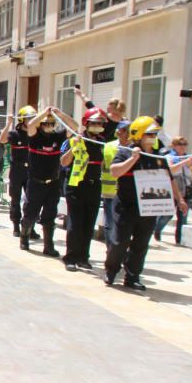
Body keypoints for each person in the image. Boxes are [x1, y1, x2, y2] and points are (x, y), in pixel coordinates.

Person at [104, 117, 189, 290]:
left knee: (141, 244)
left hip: (149, 208)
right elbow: (114, 172)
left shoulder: (157, 157)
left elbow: (169, 178)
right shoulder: (125, 152)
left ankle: (133, 276)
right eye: (149, 133)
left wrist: (179, 200)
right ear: (139, 134)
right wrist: (133, 159)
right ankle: (111, 270)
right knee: (119, 242)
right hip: (126, 207)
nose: (153, 137)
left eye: (155, 134)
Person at [19, 107, 79, 256]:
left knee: (50, 215)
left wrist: (59, 114)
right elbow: (31, 124)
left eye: (51, 124)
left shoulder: (58, 137)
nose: (48, 126)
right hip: (35, 182)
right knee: (30, 214)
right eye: (46, 124)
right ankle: (24, 236)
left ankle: (48, 245)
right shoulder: (34, 136)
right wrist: (44, 113)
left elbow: (75, 127)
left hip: (53, 182)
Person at [60, 108, 108, 271]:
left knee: (89, 223)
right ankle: (70, 257)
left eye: (100, 123)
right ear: (87, 124)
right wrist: (74, 148)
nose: (97, 126)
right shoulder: (77, 139)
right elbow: (64, 162)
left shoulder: (103, 142)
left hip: (94, 185)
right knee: (76, 222)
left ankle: (83, 257)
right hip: (76, 186)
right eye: (94, 123)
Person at [154, 136, 192, 244]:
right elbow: (170, 169)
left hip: (186, 190)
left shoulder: (189, 158)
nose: (183, 147)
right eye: (180, 144)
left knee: (183, 216)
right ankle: (157, 229)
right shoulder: (169, 157)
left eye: (184, 144)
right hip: (173, 189)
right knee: (167, 214)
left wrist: (191, 166)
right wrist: (183, 163)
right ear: (174, 145)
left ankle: (179, 240)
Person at [1, 106, 37, 238]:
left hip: (31, 171)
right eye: (29, 118)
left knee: (32, 201)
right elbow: (2, 140)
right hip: (17, 170)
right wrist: (8, 123)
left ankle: (29, 228)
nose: (32, 121)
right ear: (22, 120)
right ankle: (16, 225)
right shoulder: (15, 134)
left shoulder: (35, 134)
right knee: (15, 200)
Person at [101, 120, 130, 253]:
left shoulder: (135, 148)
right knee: (110, 225)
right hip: (110, 191)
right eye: (125, 130)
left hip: (127, 193)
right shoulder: (108, 146)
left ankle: (120, 252)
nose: (127, 134)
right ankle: (111, 251)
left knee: (123, 226)